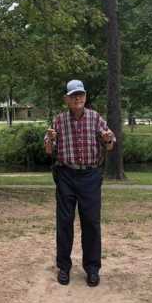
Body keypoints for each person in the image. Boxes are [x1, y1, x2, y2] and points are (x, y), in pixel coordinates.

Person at [44, 79, 116, 287]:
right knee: (64, 222)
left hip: (90, 176)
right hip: (66, 175)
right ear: (66, 99)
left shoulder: (95, 118)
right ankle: (64, 267)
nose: (78, 98)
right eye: (74, 95)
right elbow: (49, 150)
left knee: (91, 222)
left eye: (81, 95)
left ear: (85, 97)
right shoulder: (58, 121)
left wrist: (107, 138)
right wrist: (50, 140)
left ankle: (92, 269)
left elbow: (110, 145)